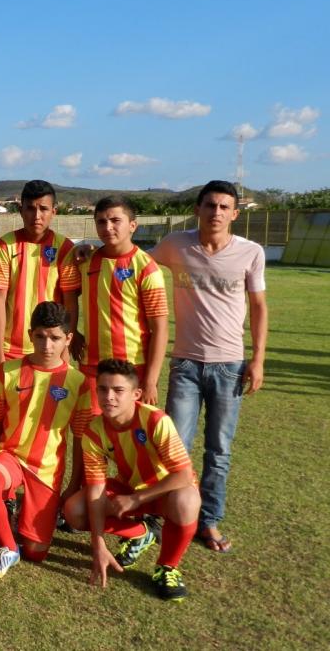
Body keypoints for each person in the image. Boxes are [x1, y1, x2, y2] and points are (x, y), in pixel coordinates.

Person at [151, 180, 267, 553]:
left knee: (219, 451)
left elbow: (259, 307)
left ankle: (209, 521)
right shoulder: (175, 244)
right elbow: (135, 260)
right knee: (175, 447)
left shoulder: (251, 252)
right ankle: (171, 515)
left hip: (230, 365)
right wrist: (93, 250)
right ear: (197, 209)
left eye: (224, 207)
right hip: (185, 363)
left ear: (234, 214)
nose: (216, 212)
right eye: (210, 205)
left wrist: (258, 359)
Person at [62, 359, 201, 601]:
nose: (109, 397)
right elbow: (95, 491)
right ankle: (142, 533)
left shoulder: (155, 420)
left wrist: (137, 499)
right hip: (130, 489)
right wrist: (98, 543)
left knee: (186, 500)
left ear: (136, 394)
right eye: (103, 389)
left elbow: (184, 474)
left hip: (165, 492)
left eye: (118, 390)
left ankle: (167, 567)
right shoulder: (94, 430)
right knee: (74, 509)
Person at [0, 301, 92, 579]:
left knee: (36, 552)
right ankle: (8, 548)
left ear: (68, 339)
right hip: (10, 457)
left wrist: (73, 484)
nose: (47, 345)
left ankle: (19, 519)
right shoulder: (7, 371)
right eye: (40, 336)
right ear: (30, 334)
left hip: (46, 470)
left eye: (55, 338)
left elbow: (80, 438)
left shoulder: (79, 382)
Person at [65, 195, 168, 410]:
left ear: (132, 226)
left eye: (115, 221)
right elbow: (69, 298)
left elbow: (160, 329)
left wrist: (150, 381)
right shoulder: (86, 261)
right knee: (90, 426)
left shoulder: (146, 267)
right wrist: (73, 331)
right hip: (92, 366)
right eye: (101, 222)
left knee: (127, 428)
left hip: (132, 367)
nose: (108, 227)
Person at [0, 180, 78, 365]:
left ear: (54, 212)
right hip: (11, 348)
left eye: (43, 209)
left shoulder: (64, 247)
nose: (36, 216)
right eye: (30, 208)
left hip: (51, 348)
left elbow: (70, 302)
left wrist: (65, 349)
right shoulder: (6, 244)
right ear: (21, 211)